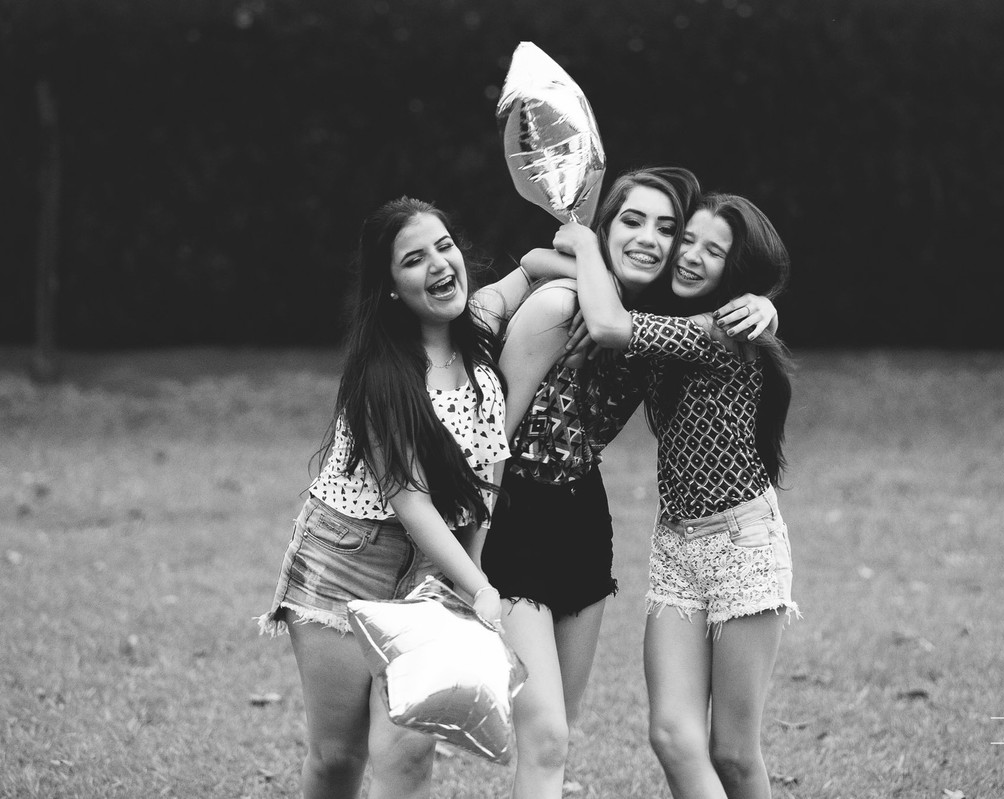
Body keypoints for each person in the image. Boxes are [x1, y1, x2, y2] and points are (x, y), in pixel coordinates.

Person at [483, 168, 781, 799]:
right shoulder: (572, 306)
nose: (660, 242)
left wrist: (766, 303)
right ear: (607, 226)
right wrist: (469, 552)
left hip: (630, 529)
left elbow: (628, 322)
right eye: (634, 221)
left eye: (670, 230)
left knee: (581, 734)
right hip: (536, 521)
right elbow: (490, 439)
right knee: (584, 736)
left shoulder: (675, 322)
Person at [257, 197, 552, 799]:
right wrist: (479, 586)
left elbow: (486, 483)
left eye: (444, 247)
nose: (439, 264)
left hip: (435, 571)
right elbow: (410, 499)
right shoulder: (382, 377)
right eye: (414, 259)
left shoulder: (479, 343)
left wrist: (550, 259)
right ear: (390, 287)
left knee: (410, 756)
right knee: (337, 757)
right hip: (346, 559)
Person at [558, 191, 798, 799]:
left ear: (736, 269)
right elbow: (575, 285)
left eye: (713, 251)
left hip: (742, 545)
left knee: (733, 754)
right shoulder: (669, 324)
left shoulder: (720, 330)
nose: (689, 255)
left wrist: (584, 241)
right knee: (671, 735)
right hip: (676, 546)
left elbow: (609, 325)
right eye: (686, 239)